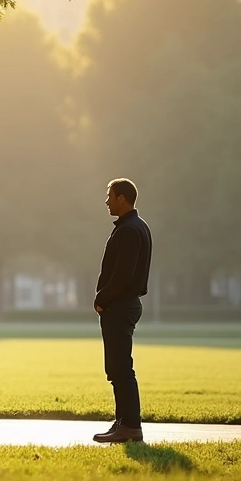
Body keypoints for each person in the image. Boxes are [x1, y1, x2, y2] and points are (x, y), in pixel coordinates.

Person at [92, 178, 153, 444]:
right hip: (123, 304)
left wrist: (102, 297)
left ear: (122, 198)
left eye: (110, 195)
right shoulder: (137, 227)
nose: (106, 201)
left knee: (121, 368)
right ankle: (123, 422)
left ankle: (130, 426)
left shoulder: (128, 230)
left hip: (120, 305)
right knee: (117, 368)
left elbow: (123, 274)